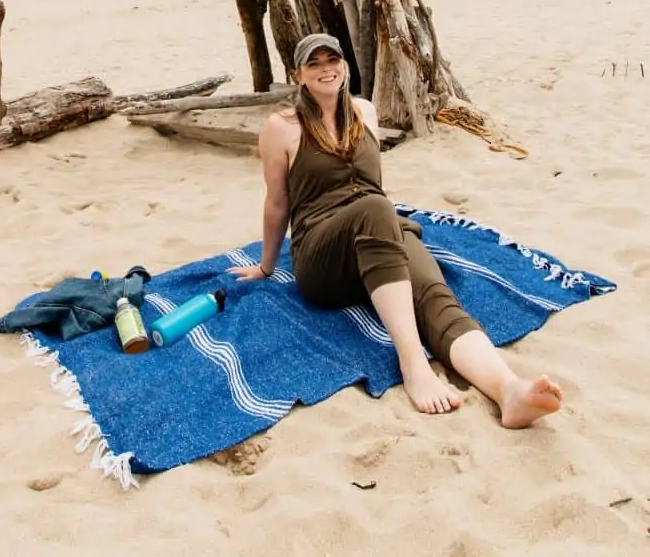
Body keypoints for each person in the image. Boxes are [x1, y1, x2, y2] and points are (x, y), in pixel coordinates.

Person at [228, 33, 563, 428]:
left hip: (377, 233)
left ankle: (507, 389)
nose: (325, 69)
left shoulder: (364, 111)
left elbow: (369, 186)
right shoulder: (281, 127)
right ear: (297, 74)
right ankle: (413, 363)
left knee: (435, 295)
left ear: (344, 65)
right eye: (313, 63)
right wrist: (267, 266)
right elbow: (278, 202)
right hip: (322, 256)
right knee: (375, 206)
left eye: (331, 59)